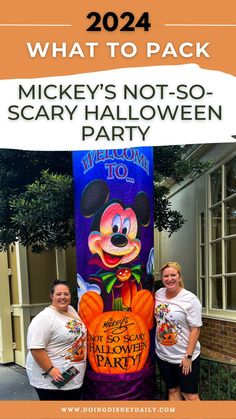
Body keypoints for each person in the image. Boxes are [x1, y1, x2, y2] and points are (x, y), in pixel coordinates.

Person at [26, 279, 87, 400]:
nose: (63, 297)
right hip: (52, 379)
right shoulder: (44, 318)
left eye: (66, 294)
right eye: (58, 294)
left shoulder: (71, 310)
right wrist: (51, 369)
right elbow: (36, 348)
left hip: (72, 375)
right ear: (51, 296)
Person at [155, 262, 202, 401]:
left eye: (173, 275)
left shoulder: (190, 299)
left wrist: (188, 356)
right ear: (162, 279)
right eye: (166, 276)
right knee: (173, 390)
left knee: (190, 396)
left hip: (184, 357)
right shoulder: (159, 294)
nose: (169, 279)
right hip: (163, 355)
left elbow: (196, 329)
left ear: (180, 277)